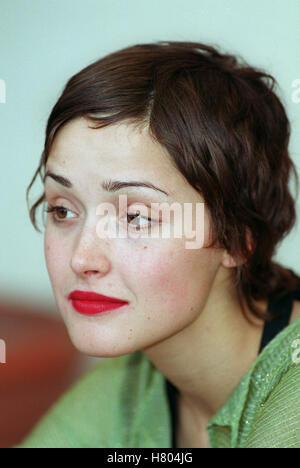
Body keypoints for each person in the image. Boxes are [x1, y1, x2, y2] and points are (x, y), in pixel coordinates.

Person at [18, 41, 300, 448]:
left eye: (136, 217)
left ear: (238, 238)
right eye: (63, 210)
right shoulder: (130, 384)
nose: (82, 258)